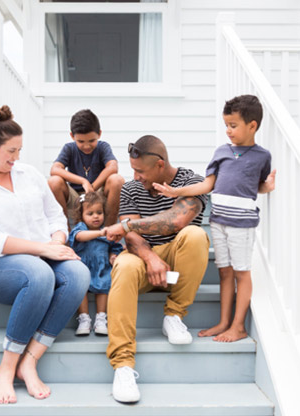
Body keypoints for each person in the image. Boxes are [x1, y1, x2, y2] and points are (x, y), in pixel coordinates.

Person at [0, 105, 90, 404]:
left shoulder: (29, 174)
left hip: (42, 254)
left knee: (79, 273)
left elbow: (55, 215)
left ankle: (31, 359)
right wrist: (45, 249)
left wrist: (57, 238)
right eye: (10, 151)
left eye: (19, 151)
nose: (16, 158)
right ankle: (5, 368)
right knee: (38, 273)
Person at [154, 94, 277, 343]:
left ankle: (238, 326)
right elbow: (207, 184)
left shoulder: (262, 156)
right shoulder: (221, 152)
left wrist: (268, 186)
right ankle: (223, 322)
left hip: (242, 223)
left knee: (241, 272)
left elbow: (257, 186)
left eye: (233, 125)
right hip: (219, 221)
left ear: (252, 126)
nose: (228, 131)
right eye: (226, 125)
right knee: (224, 272)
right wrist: (177, 192)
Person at [102, 135, 210, 404]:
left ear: (160, 165)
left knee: (195, 235)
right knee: (125, 264)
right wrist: (150, 258)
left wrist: (127, 225)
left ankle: (173, 315)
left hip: (177, 260)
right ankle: (123, 365)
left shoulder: (191, 182)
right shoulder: (130, 189)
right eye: (133, 170)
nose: (135, 176)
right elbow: (132, 238)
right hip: (143, 261)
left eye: (140, 171)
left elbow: (176, 221)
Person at [48, 109, 125, 226]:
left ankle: (109, 233)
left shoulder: (103, 147)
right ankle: (65, 234)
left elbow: (113, 167)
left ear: (99, 133)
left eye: (92, 140)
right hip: (75, 197)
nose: (86, 146)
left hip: (97, 195)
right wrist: (83, 181)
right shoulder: (69, 148)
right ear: (72, 136)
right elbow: (55, 169)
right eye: (80, 141)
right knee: (54, 181)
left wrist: (92, 188)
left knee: (117, 180)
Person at [67, 192, 124, 336]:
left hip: (101, 268)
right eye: (90, 213)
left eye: (99, 212)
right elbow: (79, 237)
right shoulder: (81, 228)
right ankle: (84, 318)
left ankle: (101, 317)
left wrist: (113, 256)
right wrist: (100, 233)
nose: (96, 216)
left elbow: (114, 246)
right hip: (83, 267)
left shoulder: (107, 230)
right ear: (81, 216)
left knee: (104, 286)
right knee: (81, 289)